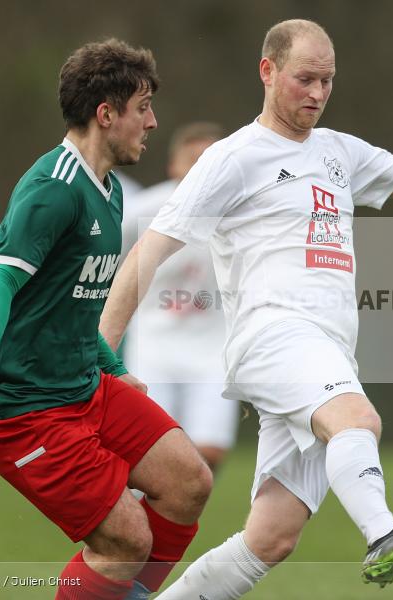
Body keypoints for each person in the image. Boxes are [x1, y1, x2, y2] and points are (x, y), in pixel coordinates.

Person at [100, 19, 393, 596]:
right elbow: (149, 252)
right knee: (357, 419)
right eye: (304, 79)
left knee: (271, 538)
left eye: (327, 80)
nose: (317, 92)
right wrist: (103, 353)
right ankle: (384, 534)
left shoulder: (339, 151)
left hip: (324, 350)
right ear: (267, 71)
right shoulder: (233, 158)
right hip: (273, 336)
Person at [0, 39, 212, 600]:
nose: (152, 122)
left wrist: (113, 367)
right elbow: (1, 281)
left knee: (188, 482)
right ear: (106, 114)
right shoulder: (53, 190)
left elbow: (73, 308)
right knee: (125, 541)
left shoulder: (108, 190)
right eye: (143, 108)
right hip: (23, 412)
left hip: (84, 386)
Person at [121, 122, 237, 472]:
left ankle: (180, 498)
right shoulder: (142, 210)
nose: (201, 167)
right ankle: (155, 503)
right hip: (154, 348)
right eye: (193, 159)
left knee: (210, 451)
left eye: (210, 159)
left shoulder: (242, 215)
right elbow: (104, 260)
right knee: (151, 451)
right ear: (173, 166)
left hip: (212, 350)